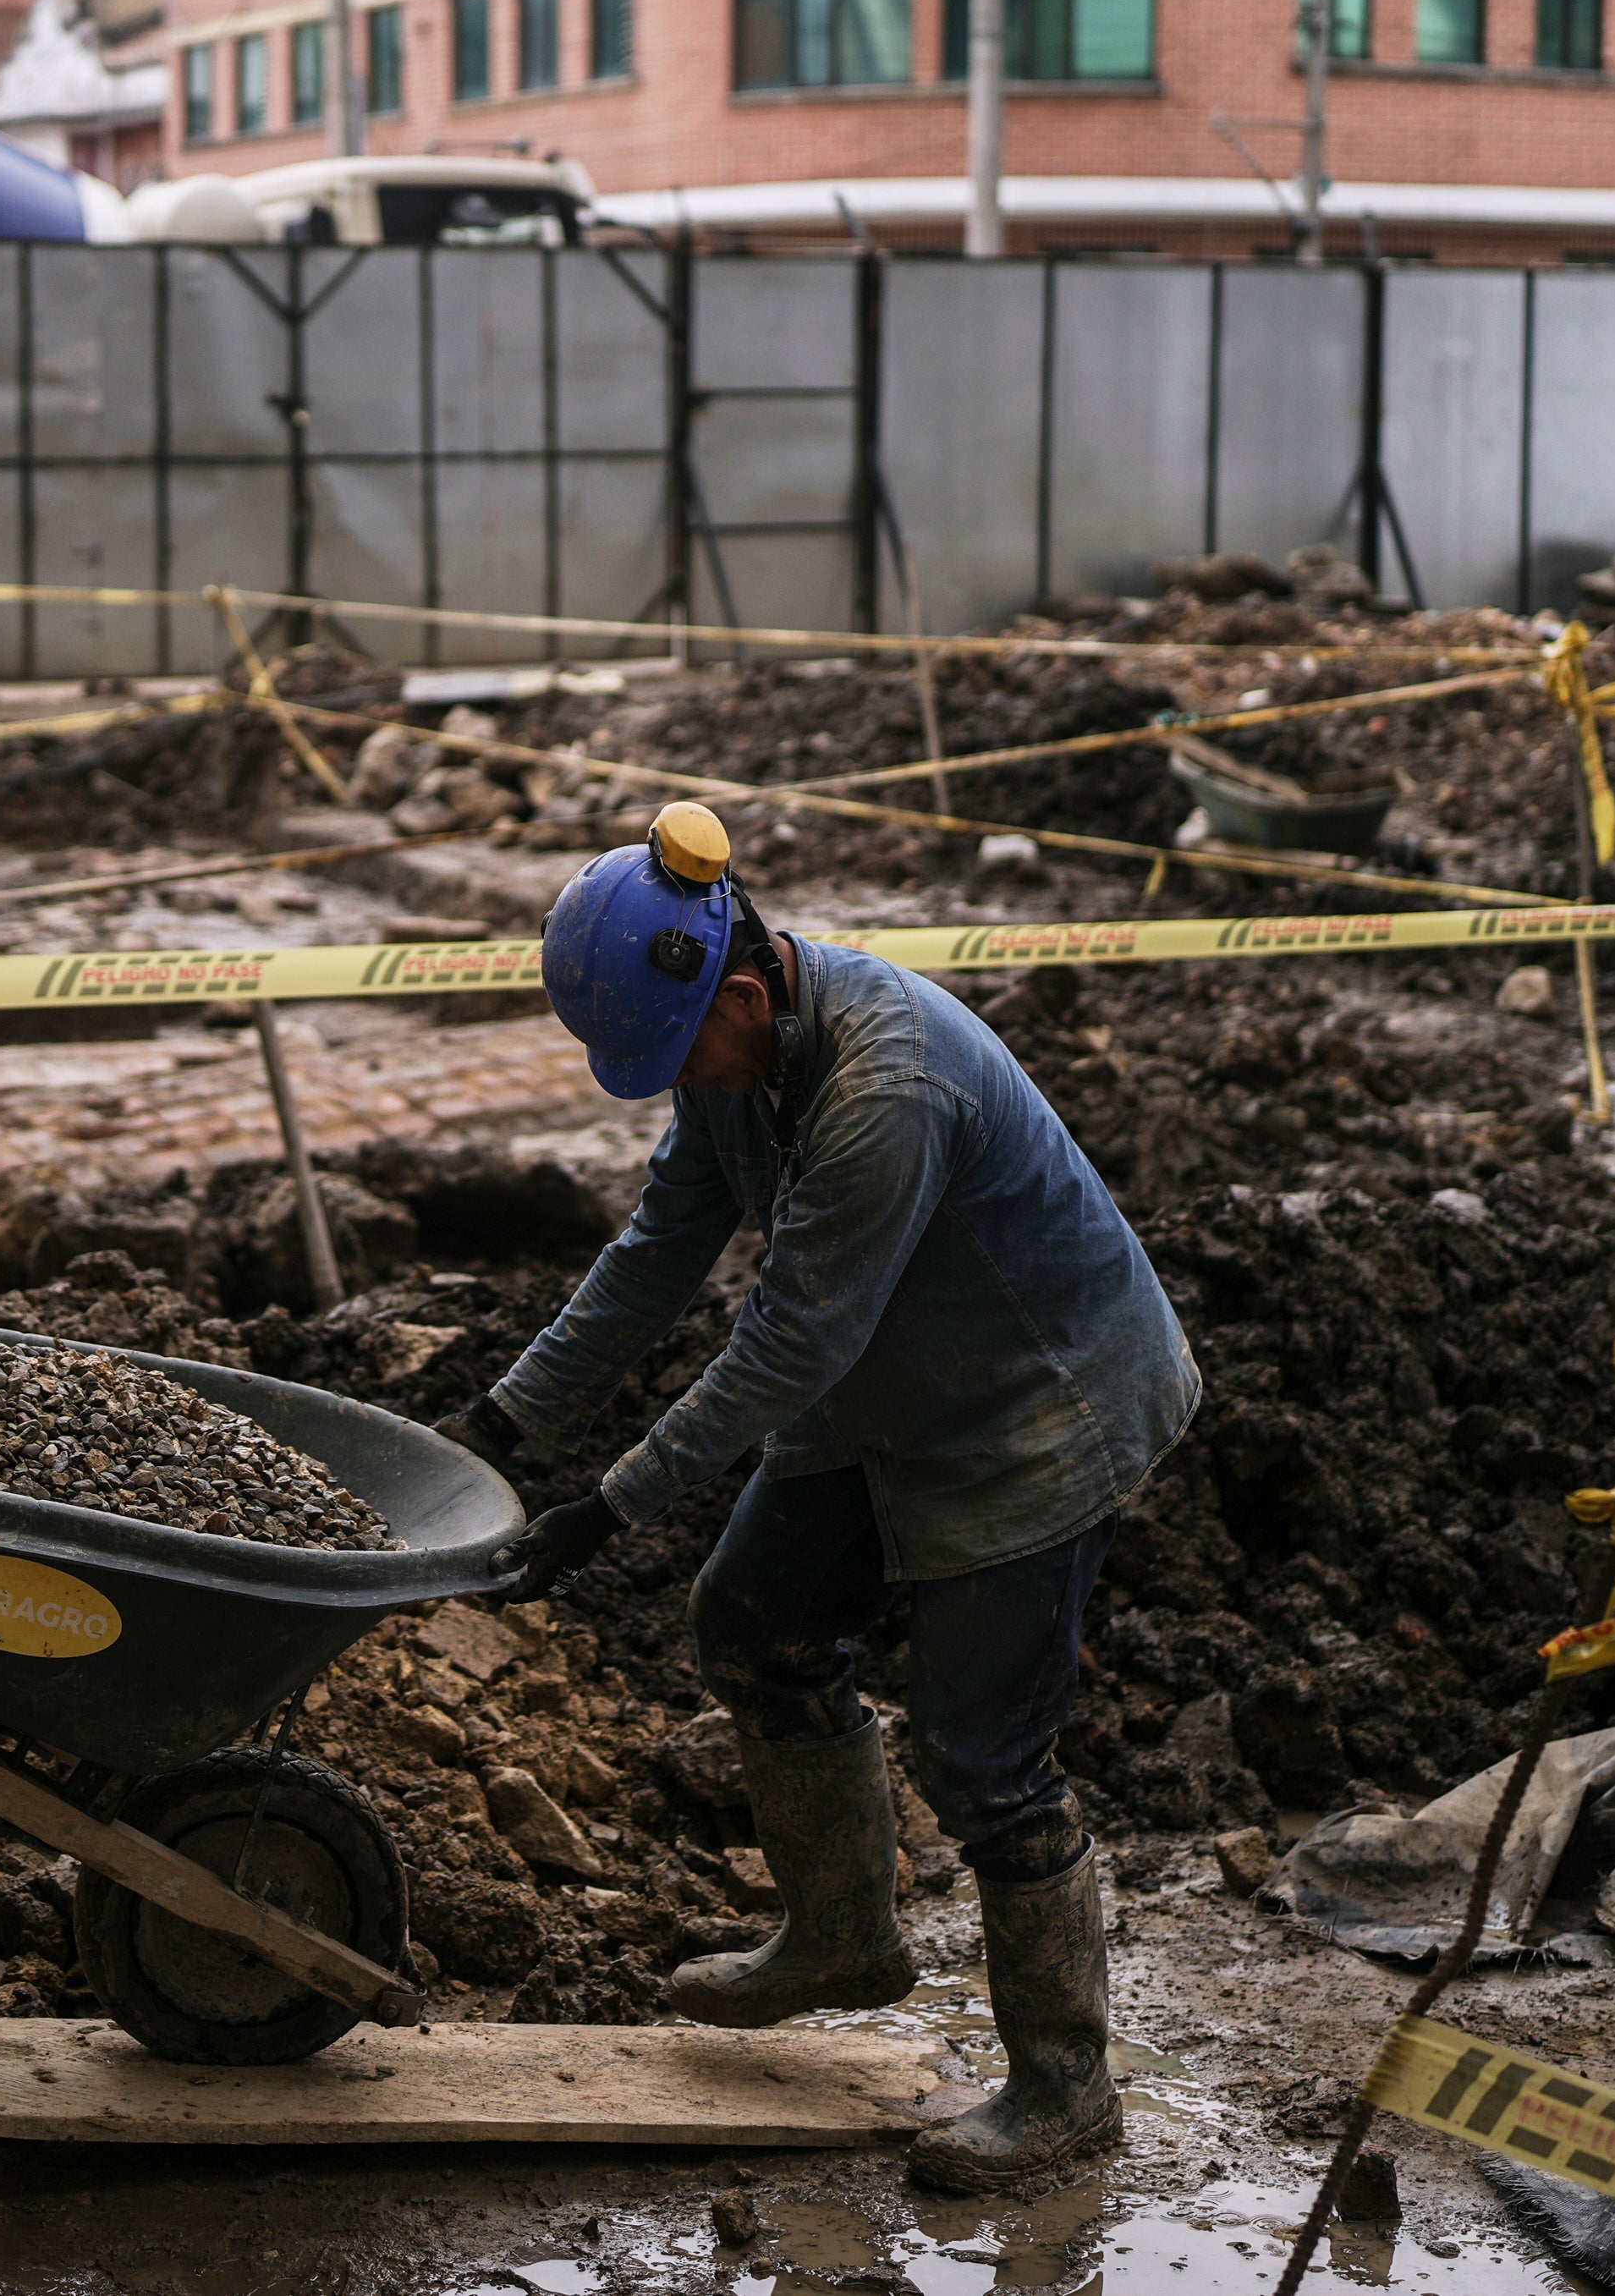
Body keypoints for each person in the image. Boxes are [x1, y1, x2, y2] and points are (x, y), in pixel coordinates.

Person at [440, 801, 1195, 2189]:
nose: (682, 1082)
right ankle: (844, 1937)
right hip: (892, 1375)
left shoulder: (886, 1087)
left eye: (680, 1057)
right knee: (753, 1621)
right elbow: (662, 1248)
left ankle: (1067, 2087)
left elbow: (791, 1343)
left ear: (740, 992)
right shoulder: (731, 1048)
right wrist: (504, 1418)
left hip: (1038, 1407)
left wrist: (610, 1504)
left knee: (984, 1759)